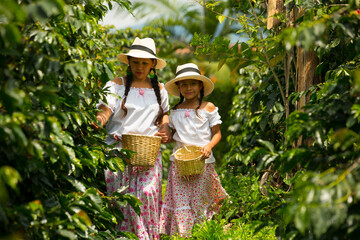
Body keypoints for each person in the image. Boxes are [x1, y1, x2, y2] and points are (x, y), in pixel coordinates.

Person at [93, 37, 171, 240]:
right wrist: (99, 120)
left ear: (153, 64)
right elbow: (106, 109)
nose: (140, 66)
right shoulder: (116, 85)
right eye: (135, 61)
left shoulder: (160, 89)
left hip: (148, 152)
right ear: (128, 61)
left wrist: (165, 128)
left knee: (147, 193)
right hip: (118, 152)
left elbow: (164, 114)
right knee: (121, 200)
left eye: (145, 62)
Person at [159, 63, 228, 237]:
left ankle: (201, 232)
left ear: (200, 86)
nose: (188, 88)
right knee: (181, 201)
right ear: (178, 87)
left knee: (198, 201)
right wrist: (164, 136)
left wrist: (209, 146)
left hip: (202, 163)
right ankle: (183, 234)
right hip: (180, 164)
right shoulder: (174, 111)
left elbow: (217, 134)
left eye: (192, 83)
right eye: (183, 84)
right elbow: (173, 135)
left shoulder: (208, 108)